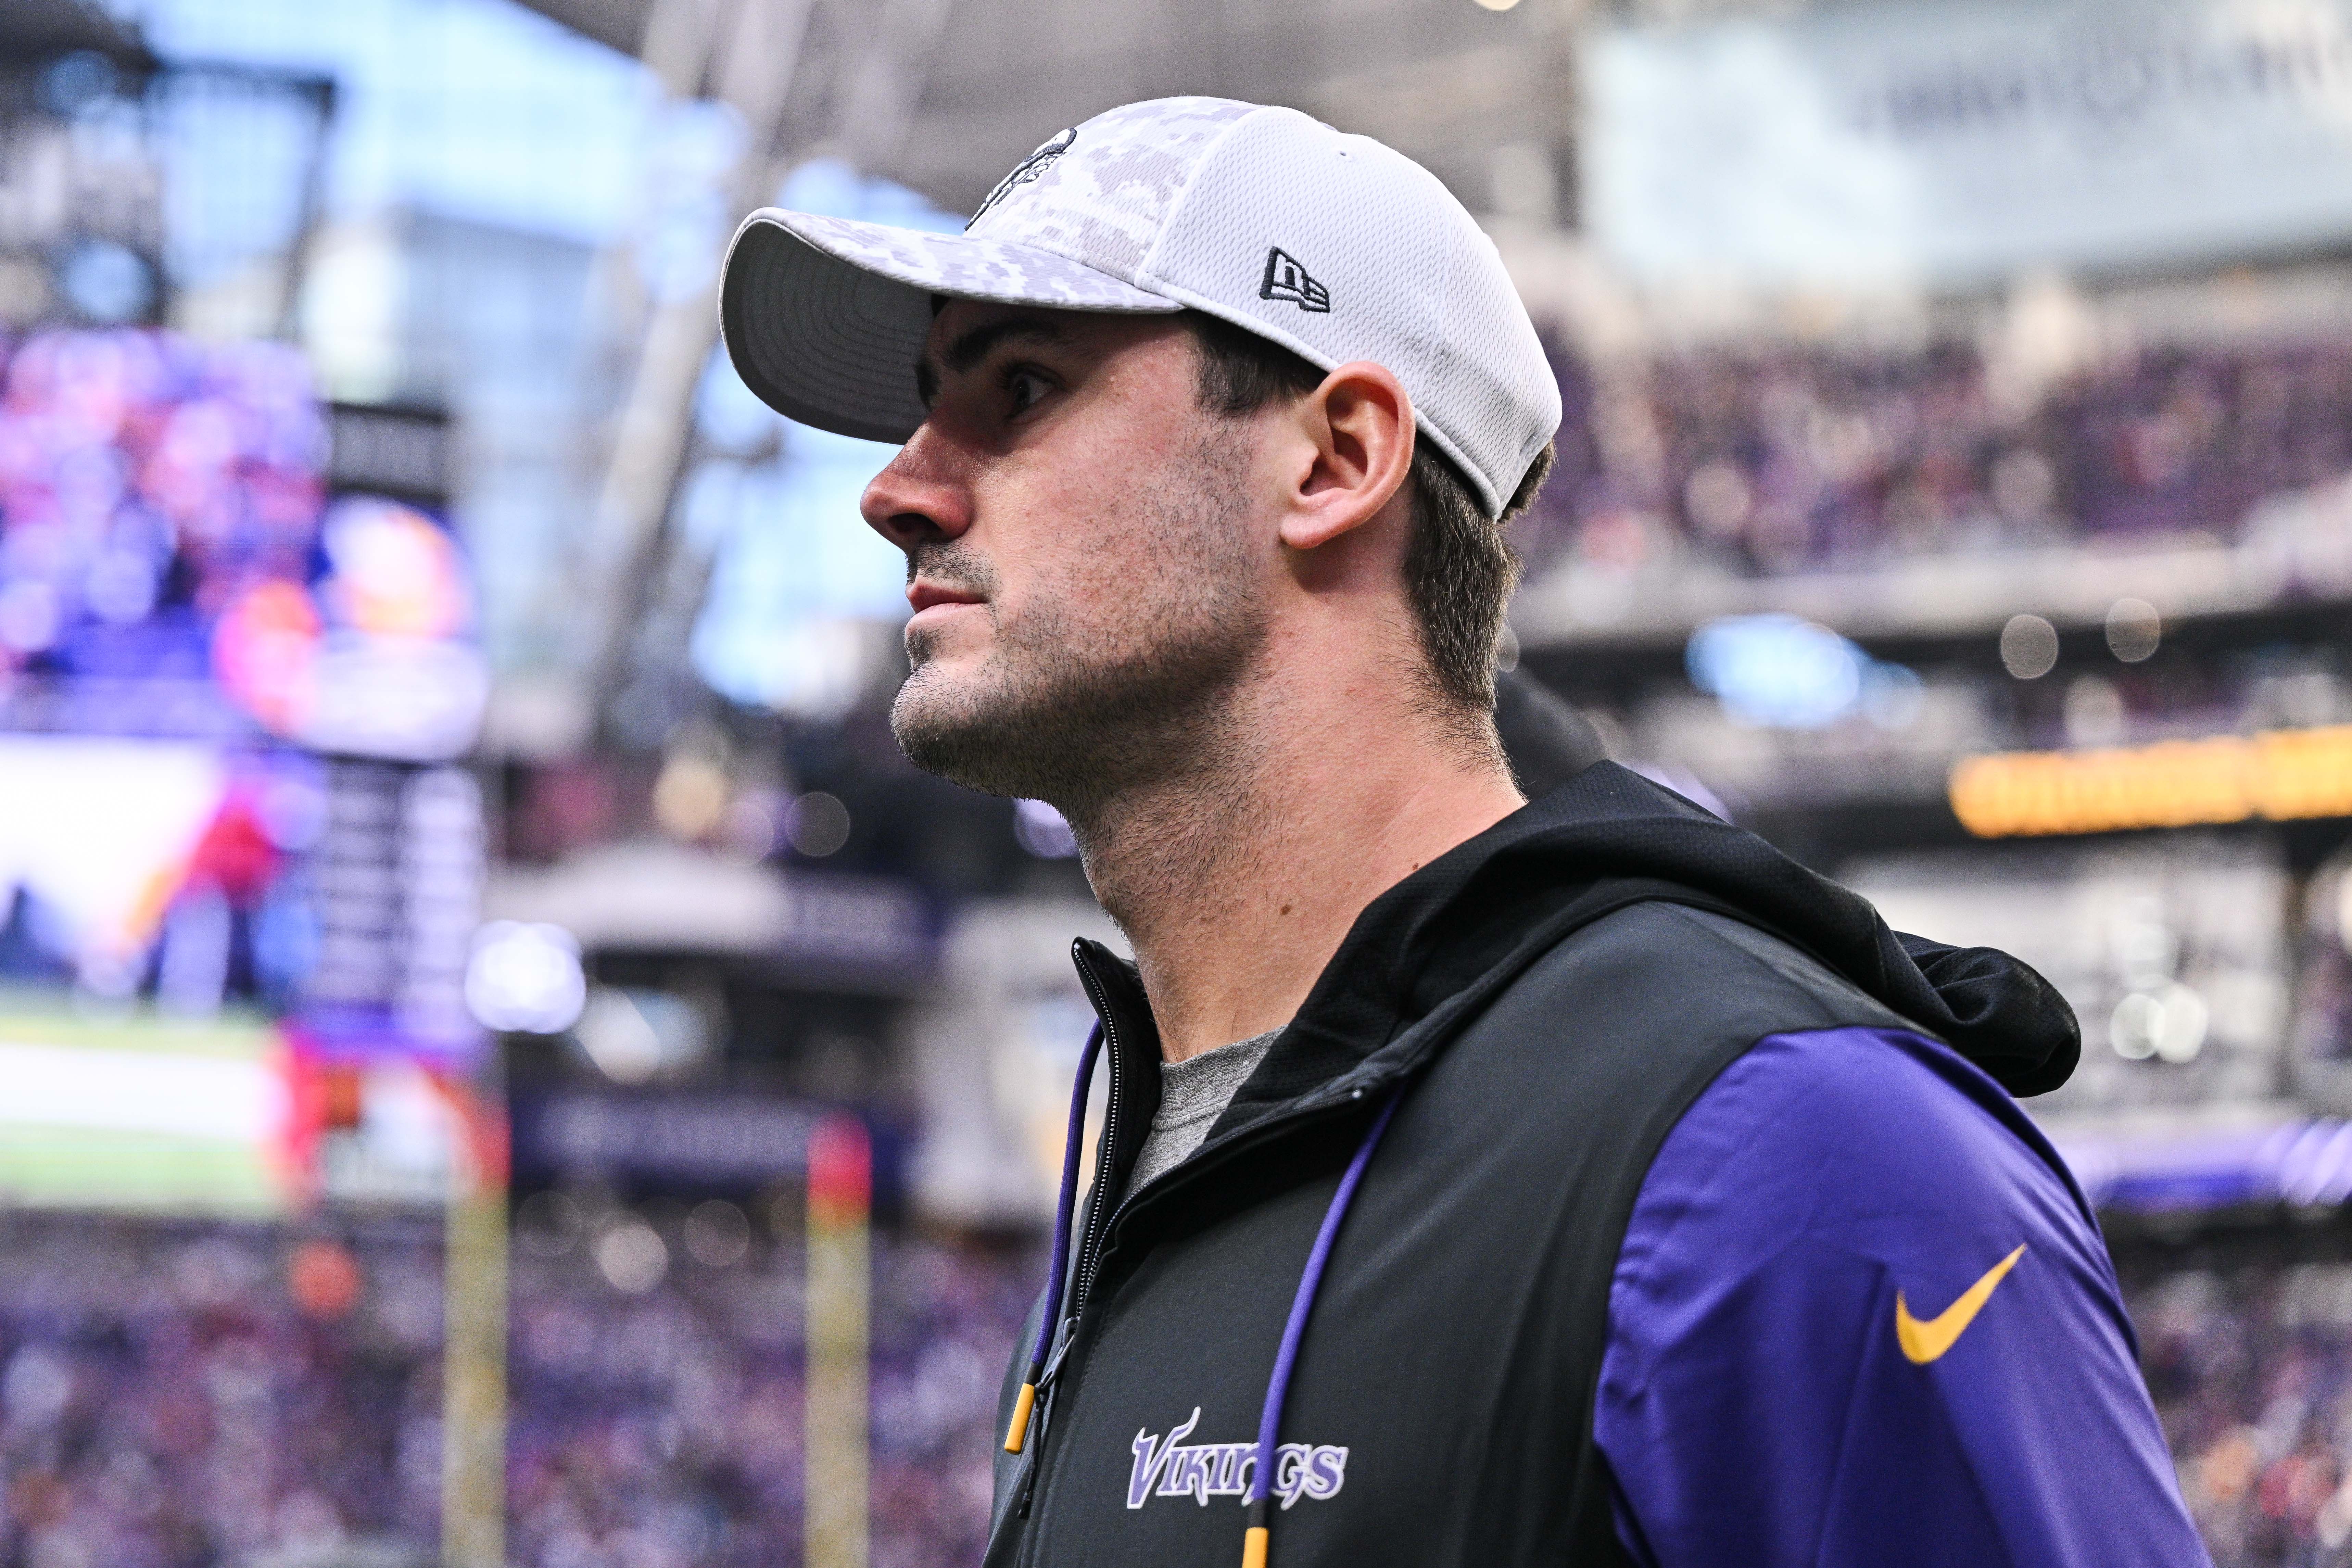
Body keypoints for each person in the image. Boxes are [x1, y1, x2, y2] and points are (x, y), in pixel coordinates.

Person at [719, 98, 2209, 1568]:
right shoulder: (1151, 1154)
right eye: (924, 402)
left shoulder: (1789, 1148)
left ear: (1332, 456)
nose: (895, 488)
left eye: (1020, 387)